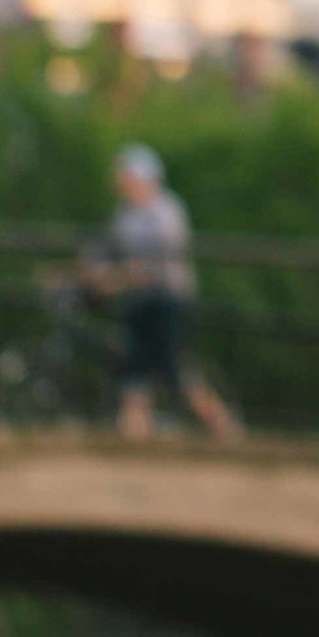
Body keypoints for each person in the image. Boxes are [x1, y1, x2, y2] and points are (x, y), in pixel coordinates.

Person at [90, 144, 238, 441]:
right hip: (138, 298)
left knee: (171, 367)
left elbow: (162, 256)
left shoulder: (167, 211)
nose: (122, 181)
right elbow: (108, 248)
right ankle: (134, 433)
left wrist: (119, 275)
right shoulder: (125, 213)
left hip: (167, 299)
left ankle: (221, 424)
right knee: (134, 365)